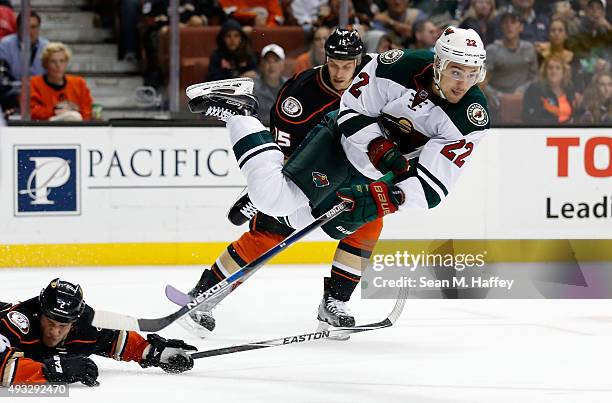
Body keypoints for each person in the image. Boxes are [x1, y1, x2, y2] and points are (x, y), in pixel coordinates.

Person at [186, 26, 489, 330]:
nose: (463, 83)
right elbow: (351, 111)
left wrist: (390, 197)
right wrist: (376, 145)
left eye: (472, 74)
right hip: (338, 145)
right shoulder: (396, 66)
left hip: (375, 179)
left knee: (337, 223)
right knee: (273, 203)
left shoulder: (470, 116)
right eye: (456, 72)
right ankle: (240, 112)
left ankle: (335, 302)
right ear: (438, 64)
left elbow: (434, 183)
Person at [186, 28, 375, 334]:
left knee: (369, 219)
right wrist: (272, 187)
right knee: (268, 234)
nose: (340, 73)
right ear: (325, 58)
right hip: (306, 173)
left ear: (359, 60)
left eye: (347, 65)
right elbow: (283, 152)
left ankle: (335, 303)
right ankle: (204, 295)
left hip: (349, 174)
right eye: (334, 64)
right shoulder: (300, 92)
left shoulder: (375, 79)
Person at [0, 278, 195, 386]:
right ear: (39, 313)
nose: (54, 332)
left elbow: (114, 340)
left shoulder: (86, 324)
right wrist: (52, 371)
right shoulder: (16, 321)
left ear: (74, 322)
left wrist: (152, 352)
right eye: (50, 322)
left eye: (63, 325)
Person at [30, 42, 93, 121]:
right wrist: (55, 112)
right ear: (45, 64)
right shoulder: (34, 83)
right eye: (53, 61)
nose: (58, 65)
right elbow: (32, 111)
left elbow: (87, 111)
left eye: (62, 61)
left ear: (66, 63)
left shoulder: (79, 83)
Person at [522, 53, 578, 124]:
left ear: (563, 72)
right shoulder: (535, 89)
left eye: (558, 68)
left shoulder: (569, 89)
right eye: (550, 68)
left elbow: (573, 114)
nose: (554, 71)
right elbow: (527, 117)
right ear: (545, 71)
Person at [0, 10, 48, 81]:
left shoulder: (46, 46)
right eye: (25, 27)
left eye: (33, 27)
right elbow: (3, 75)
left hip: (39, 89)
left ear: (39, 28)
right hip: (12, 89)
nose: (29, 31)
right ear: (18, 28)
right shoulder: (5, 44)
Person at [253, 44, 286, 127]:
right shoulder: (252, 87)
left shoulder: (291, 85)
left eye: (275, 61)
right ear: (261, 64)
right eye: (268, 61)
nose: (271, 65)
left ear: (283, 65)